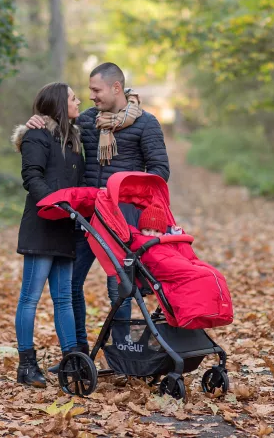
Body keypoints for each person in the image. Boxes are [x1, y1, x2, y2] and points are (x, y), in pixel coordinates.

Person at [25, 63, 170, 367]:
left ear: (116, 88)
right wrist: (39, 120)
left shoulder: (146, 124)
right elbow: (56, 134)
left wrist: (133, 200)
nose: (91, 97)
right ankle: (77, 354)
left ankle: (122, 354)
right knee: (70, 284)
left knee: (120, 287)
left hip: (122, 217)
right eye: (88, 91)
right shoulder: (88, 121)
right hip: (87, 216)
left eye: (96, 90)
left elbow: (159, 172)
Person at [12, 82, 84, 388]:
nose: (78, 101)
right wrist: (57, 204)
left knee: (64, 299)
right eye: (72, 98)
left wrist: (73, 210)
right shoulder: (36, 136)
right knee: (30, 299)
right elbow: (32, 177)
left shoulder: (72, 141)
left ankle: (70, 362)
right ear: (58, 104)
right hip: (42, 226)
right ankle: (26, 365)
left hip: (66, 227)